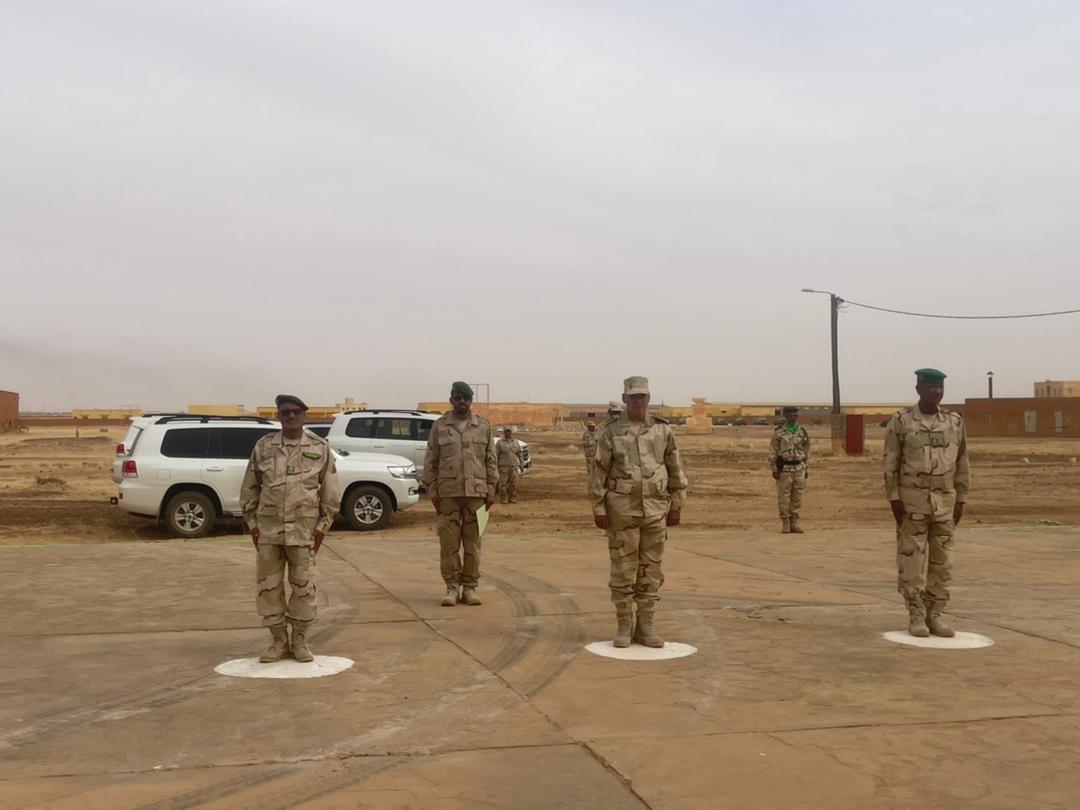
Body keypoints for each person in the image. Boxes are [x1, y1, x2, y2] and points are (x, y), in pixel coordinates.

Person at [590, 376, 688, 648]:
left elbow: (675, 467)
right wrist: (598, 507)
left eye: (642, 396)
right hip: (621, 510)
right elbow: (598, 471)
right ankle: (624, 624)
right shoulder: (610, 431)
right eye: (633, 396)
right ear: (625, 399)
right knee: (623, 568)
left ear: (649, 398)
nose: (638, 401)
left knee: (651, 568)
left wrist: (677, 504)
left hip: (655, 508)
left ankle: (646, 625)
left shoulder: (662, 430)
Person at [241, 394, 340, 663]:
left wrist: (321, 529)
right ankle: (278, 641)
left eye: (296, 411)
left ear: (304, 414)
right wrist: (253, 526)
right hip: (269, 532)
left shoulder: (319, 447)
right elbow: (249, 489)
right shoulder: (264, 447)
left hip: (303, 532)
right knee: (268, 588)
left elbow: (330, 494)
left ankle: (299, 640)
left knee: (304, 588)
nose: (291, 416)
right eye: (285, 412)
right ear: (279, 416)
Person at [883, 368, 970, 638]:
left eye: (940, 387)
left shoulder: (954, 422)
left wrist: (961, 498)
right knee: (912, 560)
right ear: (919, 389)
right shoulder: (902, 421)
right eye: (932, 387)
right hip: (912, 503)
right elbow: (890, 463)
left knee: (943, 562)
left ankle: (935, 613)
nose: (937, 392)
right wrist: (894, 498)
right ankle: (916, 613)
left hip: (945, 501)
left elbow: (962, 462)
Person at [422, 381, 498, 607]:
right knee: (449, 544)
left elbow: (490, 460)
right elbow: (430, 460)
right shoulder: (440, 426)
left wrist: (491, 490)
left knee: (473, 544)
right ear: (451, 400)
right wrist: (432, 491)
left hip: (477, 495)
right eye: (457, 397)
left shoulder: (483, 426)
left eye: (466, 398)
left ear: (471, 400)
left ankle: (470, 588)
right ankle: (452, 587)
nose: (462, 401)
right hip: (448, 494)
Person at [769, 406, 810, 533]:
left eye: (795, 416)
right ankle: (785, 522)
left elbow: (806, 451)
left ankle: (794, 522)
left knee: (797, 496)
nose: (793, 418)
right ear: (786, 416)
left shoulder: (802, 432)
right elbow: (773, 451)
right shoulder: (779, 433)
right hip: (785, 469)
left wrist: (806, 468)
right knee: (784, 496)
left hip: (799, 468)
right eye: (791, 416)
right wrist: (774, 468)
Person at [495, 426, 523, 503]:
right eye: (507, 431)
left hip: (514, 466)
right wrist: (495, 466)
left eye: (509, 431)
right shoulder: (500, 442)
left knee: (514, 483)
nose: (508, 433)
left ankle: (512, 498)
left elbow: (519, 453)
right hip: (503, 467)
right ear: (504, 432)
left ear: (511, 432)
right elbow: (496, 455)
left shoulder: (515, 442)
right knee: (502, 484)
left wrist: (521, 463)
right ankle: (503, 498)